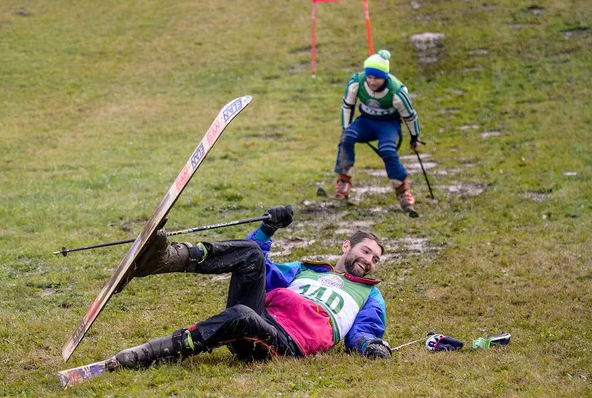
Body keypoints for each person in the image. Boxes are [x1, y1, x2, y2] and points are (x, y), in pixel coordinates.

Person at [113, 205, 392, 369]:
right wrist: (268, 229)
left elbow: (363, 331)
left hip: (287, 343)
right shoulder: (306, 269)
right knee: (251, 255)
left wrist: (369, 345)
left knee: (242, 316)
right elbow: (255, 259)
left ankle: (152, 353)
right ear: (347, 246)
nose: (369, 261)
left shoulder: (369, 294)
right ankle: (162, 260)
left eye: (375, 259)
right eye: (366, 252)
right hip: (265, 316)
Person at [333, 49, 422, 214]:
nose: (372, 82)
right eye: (370, 77)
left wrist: (414, 137)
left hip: (388, 125)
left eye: (377, 78)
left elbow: (410, 116)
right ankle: (343, 180)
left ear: (385, 77)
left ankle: (403, 191)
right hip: (365, 122)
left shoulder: (398, 92)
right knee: (347, 137)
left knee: (387, 150)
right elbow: (347, 105)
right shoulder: (356, 82)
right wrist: (346, 128)